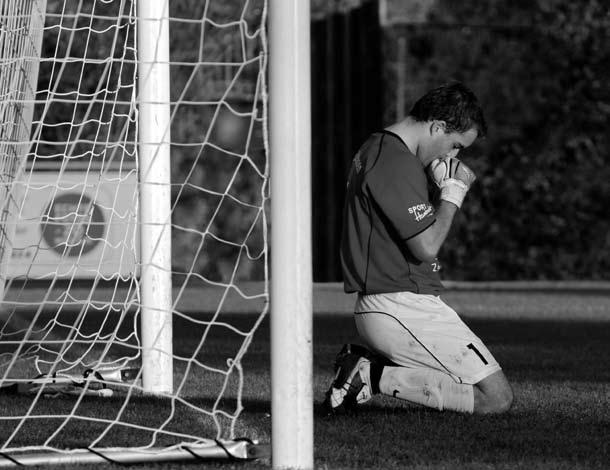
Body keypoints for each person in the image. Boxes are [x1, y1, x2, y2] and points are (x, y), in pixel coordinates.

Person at [323, 81, 513, 415]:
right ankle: (368, 373)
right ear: (438, 126)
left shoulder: (385, 151)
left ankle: (368, 371)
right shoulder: (393, 161)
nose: (452, 156)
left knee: (480, 391)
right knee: (495, 399)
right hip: (399, 304)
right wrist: (452, 194)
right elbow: (427, 246)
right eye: (454, 145)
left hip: (399, 303)